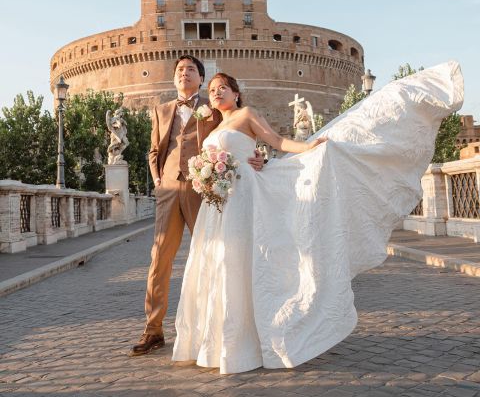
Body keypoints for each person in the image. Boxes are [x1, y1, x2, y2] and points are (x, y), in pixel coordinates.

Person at [172, 62, 463, 374]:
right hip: (219, 205)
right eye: (212, 90)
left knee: (242, 263)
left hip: (244, 199)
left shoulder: (246, 115)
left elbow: (276, 141)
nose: (216, 93)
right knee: (218, 263)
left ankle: (246, 343)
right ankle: (215, 343)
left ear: (236, 93)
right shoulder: (213, 128)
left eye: (222, 88)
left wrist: (308, 146)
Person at [131, 56, 264, 356]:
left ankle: (214, 328)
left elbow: (240, 133)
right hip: (167, 188)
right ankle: (153, 330)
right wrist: (157, 180)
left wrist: (259, 156)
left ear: (200, 79)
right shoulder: (161, 110)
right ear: (174, 78)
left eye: (190, 69)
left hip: (203, 190)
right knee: (159, 258)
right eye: (179, 70)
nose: (184, 73)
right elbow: (154, 151)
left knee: (212, 256)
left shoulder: (213, 108)